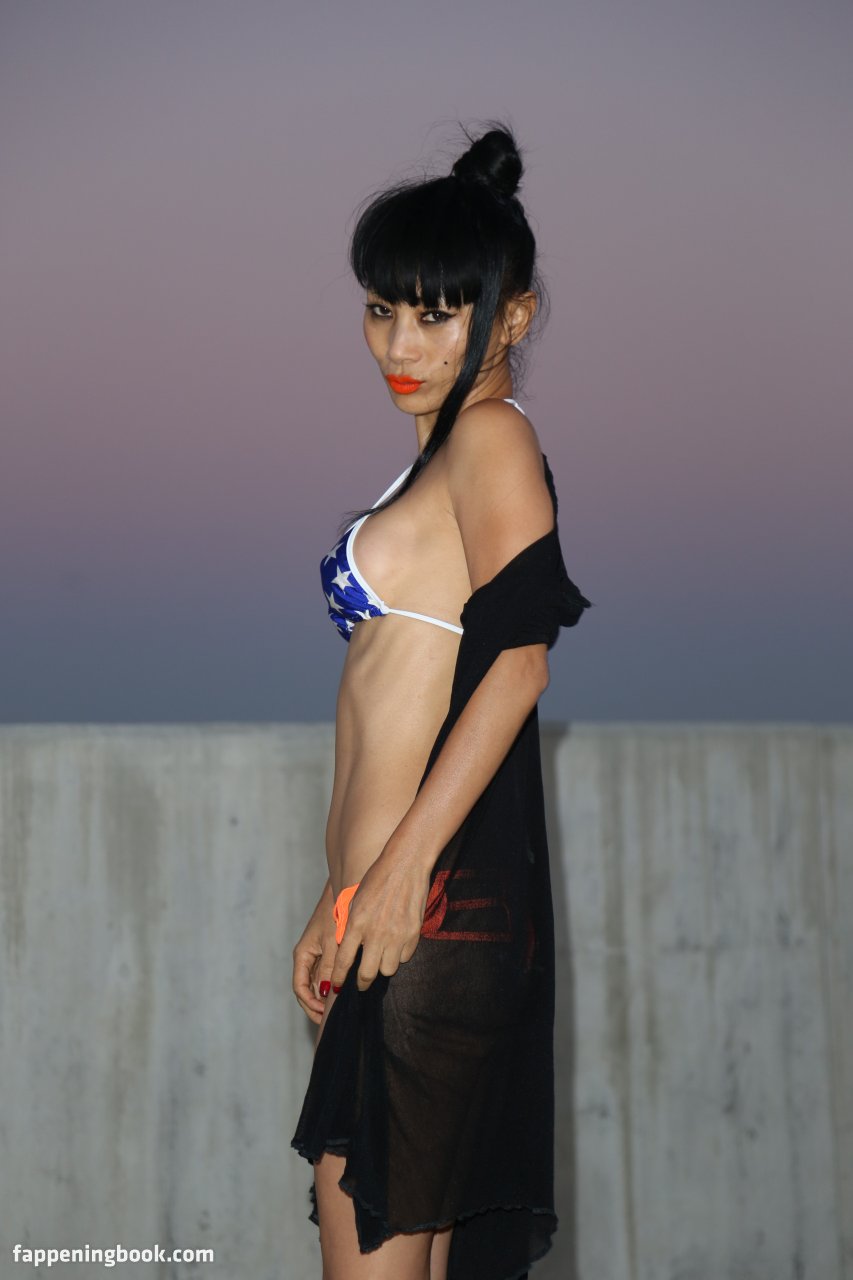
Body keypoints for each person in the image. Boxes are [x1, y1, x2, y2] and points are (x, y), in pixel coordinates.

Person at [291, 120, 592, 1280]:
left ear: (512, 317)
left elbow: (519, 662)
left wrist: (397, 872)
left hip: (428, 910)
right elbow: (392, 712)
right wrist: (340, 889)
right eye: (381, 309)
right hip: (396, 908)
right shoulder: (442, 452)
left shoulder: (491, 437)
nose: (399, 344)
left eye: (437, 313)